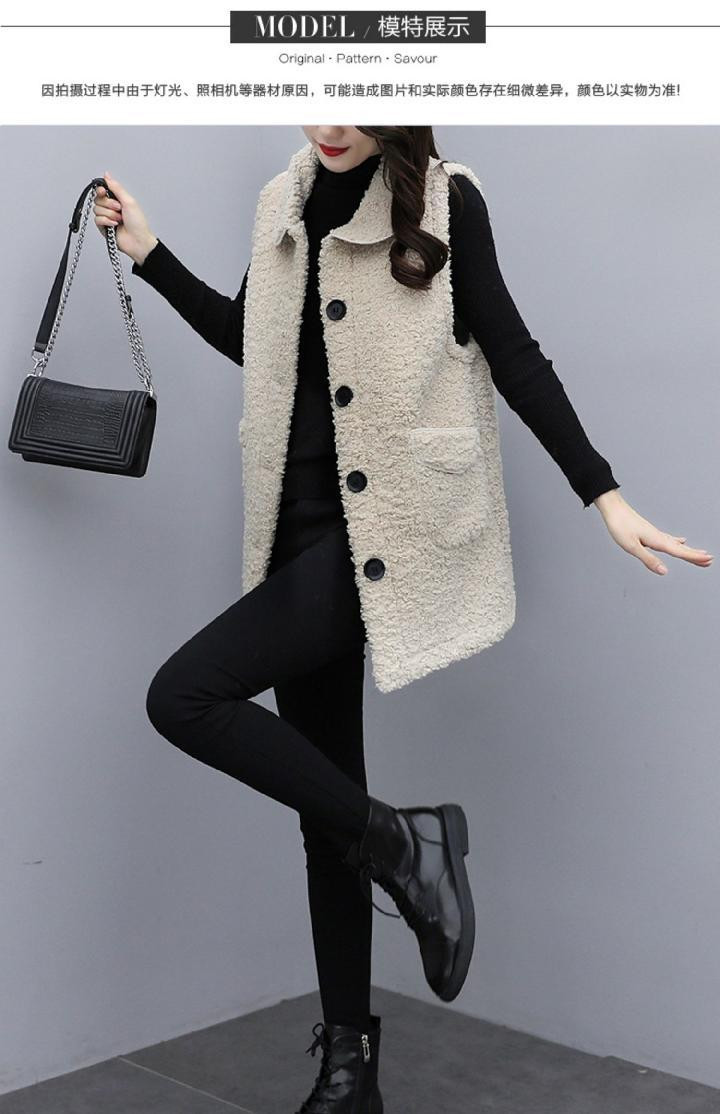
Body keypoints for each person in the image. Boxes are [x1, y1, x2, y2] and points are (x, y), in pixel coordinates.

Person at [93, 126, 712, 1114]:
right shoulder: (281, 203)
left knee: (184, 695)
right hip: (291, 533)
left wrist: (605, 495)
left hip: (383, 534)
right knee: (325, 811)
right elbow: (257, 343)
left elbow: (513, 354)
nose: (332, 124)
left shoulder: (446, 201)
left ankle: (407, 842)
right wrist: (151, 255)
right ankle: (350, 1073)